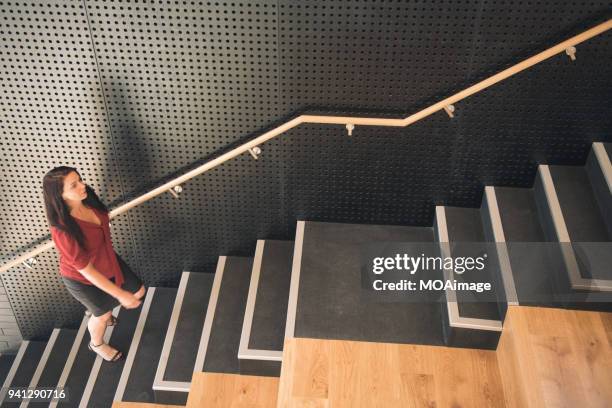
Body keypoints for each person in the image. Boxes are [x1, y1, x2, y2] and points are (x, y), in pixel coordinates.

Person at [43, 166, 146, 362]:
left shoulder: (87, 197)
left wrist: (122, 293)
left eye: (80, 180)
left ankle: (98, 309)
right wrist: (119, 294)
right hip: (82, 278)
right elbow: (87, 271)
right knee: (103, 314)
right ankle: (97, 344)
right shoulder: (62, 230)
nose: (83, 185)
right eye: (74, 185)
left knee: (138, 291)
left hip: (107, 259)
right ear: (60, 195)